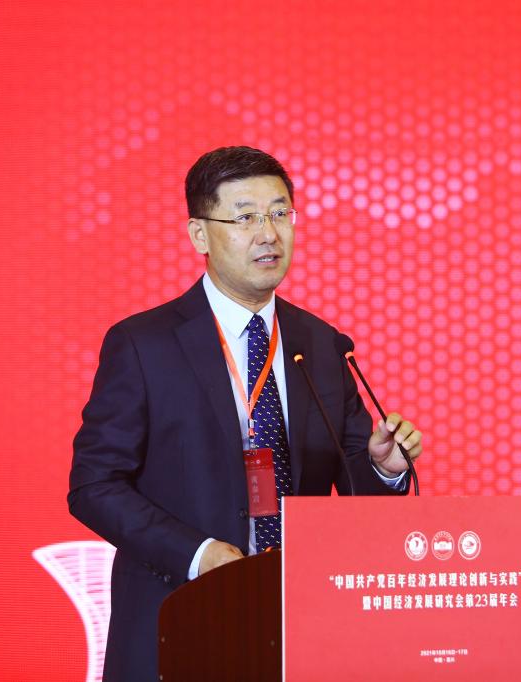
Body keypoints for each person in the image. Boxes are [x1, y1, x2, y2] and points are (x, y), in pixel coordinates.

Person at [68, 146, 423, 681]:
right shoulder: (144, 344)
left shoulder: (321, 344)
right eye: (245, 217)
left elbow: (354, 496)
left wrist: (383, 468)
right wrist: (200, 554)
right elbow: (94, 486)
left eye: (280, 214)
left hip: (297, 628)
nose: (268, 234)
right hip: (179, 619)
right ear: (199, 234)